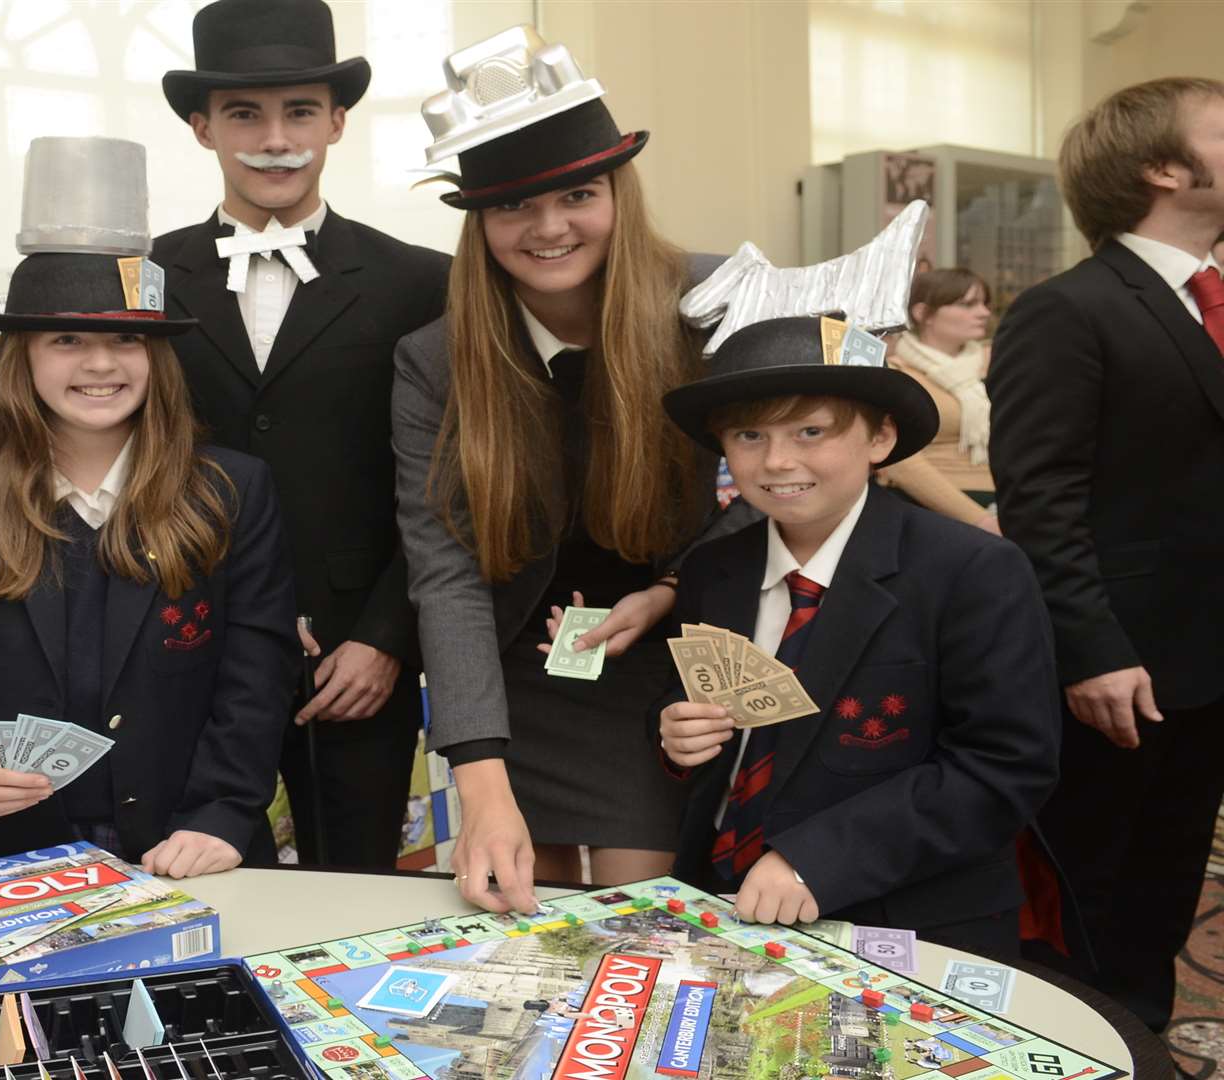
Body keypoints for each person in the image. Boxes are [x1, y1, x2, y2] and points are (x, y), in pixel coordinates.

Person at [0, 137, 298, 877]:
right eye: (68, 340)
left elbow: (256, 671)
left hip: (188, 844)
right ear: (22, 359)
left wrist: (226, 813)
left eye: (126, 341)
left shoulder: (232, 490)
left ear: (157, 358)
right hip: (6, 849)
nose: (101, 364)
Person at [393, 27, 721, 912]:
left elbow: (780, 479)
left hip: (659, 665)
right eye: (512, 208)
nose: (548, 228)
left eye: (578, 193)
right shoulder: (436, 359)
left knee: (639, 928)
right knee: (510, 931)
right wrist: (481, 782)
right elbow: (446, 571)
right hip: (511, 681)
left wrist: (670, 591)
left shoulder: (711, 302)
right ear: (478, 221)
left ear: (619, 190)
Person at [153, 0, 451, 868]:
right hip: (186, 644)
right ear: (203, 127)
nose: (274, 137)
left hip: (358, 660)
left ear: (337, 122)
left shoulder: (422, 282)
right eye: (244, 114)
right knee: (191, 885)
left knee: (355, 881)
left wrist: (388, 637)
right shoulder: (142, 275)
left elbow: (443, 482)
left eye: (299, 112)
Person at [655, 315, 1059, 953]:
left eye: (811, 431)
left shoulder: (970, 571)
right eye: (749, 434)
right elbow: (722, 737)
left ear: (881, 438)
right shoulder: (713, 573)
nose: (778, 460)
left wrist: (816, 860)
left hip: (908, 919)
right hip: (724, 902)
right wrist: (681, 743)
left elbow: (1003, 767)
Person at [988, 76, 1224, 1031]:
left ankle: (1147, 1041)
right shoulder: (1070, 310)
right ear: (1165, 168)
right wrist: (1092, 649)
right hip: (1122, 670)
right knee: (1096, 902)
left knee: (1164, 893)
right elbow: (1040, 502)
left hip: (1206, 663)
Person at [880, 268, 999, 532]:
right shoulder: (897, 372)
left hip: (1006, 501)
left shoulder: (995, 363)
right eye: (967, 304)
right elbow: (900, 462)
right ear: (922, 313)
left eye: (984, 303)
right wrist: (981, 520)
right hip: (929, 508)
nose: (983, 313)